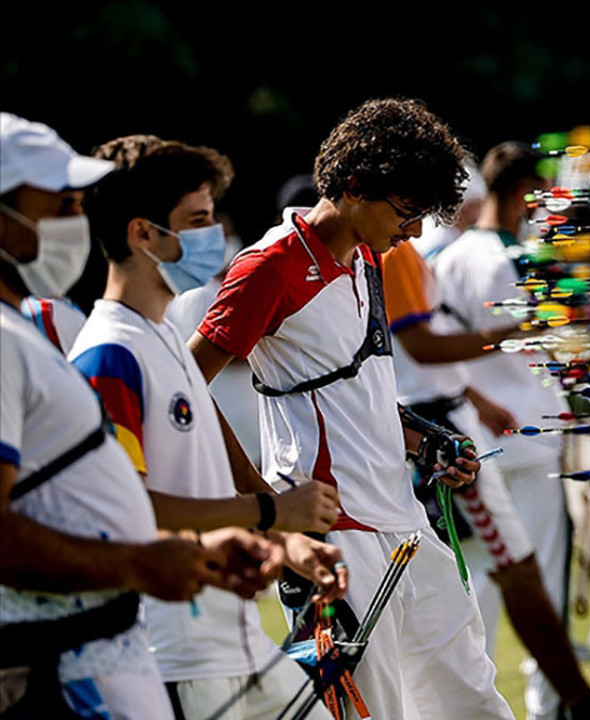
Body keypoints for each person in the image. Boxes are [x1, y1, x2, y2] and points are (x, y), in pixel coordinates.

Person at [189, 98, 513, 719]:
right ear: (355, 186)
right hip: (334, 541)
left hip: (406, 522)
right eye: (407, 211)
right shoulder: (268, 266)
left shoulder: (368, 255)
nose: (415, 232)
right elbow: (179, 388)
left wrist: (428, 440)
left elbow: (356, 391)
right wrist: (268, 508)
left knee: (474, 702)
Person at [0, 113, 281, 718]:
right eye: (59, 202)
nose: (76, 220)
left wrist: (224, 538)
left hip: (123, 647)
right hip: (77, 664)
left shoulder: (23, 334)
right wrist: (140, 559)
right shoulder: (56, 345)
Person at [71, 134, 348, 719]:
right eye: (196, 221)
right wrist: (272, 514)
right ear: (141, 234)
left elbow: (204, 485)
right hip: (174, 658)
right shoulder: (108, 356)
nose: (213, 235)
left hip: (240, 642)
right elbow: (128, 509)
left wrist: (290, 546)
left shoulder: (168, 337)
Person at [384, 235, 590, 720]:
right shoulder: (393, 251)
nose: (419, 222)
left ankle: (580, 703)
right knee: (504, 574)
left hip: (445, 421)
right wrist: (514, 332)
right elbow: (420, 349)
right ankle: (580, 704)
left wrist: (476, 401)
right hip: (434, 431)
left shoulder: (401, 248)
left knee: (506, 573)